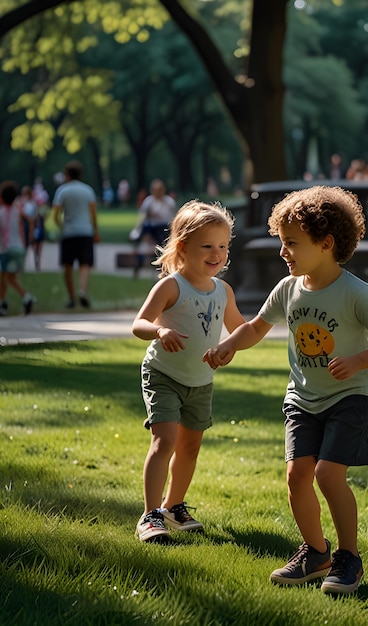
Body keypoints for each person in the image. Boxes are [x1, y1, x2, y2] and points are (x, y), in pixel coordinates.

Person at [204, 186, 368, 595]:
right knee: (298, 474)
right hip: (302, 397)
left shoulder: (355, 293)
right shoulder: (288, 289)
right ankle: (316, 552)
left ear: (326, 244)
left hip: (350, 396)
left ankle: (348, 557)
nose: (284, 252)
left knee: (329, 474)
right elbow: (256, 328)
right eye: (283, 243)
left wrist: (357, 361)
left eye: (292, 243)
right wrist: (228, 344)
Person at [132, 200, 246, 543]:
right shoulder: (171, 286)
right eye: (207, 246)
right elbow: (139, 324)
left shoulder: (223, 291)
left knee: (190, 448)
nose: (217, 253)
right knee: (164, 440)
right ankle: (150, 516)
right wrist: (160, 332)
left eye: (223, 246)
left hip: (201, 381)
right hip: (163, 375)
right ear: (183, 247)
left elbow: (241, 330)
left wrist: (230, 349)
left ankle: (174, 506)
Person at [52, 160, 100, 308]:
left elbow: (55, 215)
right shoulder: (88, 190)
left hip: (68, 232)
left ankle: (71, 298)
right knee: (85, 264)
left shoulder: (62, 191)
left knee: (68, 266)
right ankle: (82, 290)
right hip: (85, 231)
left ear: (67, 174)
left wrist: (62, 226)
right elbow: (93, 214)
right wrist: (95, 231)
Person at [0, 180, 36, 316]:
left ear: (0, 197)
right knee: (6, 276)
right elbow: (30, 220)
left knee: (8, 278)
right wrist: (30, 235)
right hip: (19, 248)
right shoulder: (18, 210)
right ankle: (2, 302)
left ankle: (25, 297)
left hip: (6, 250)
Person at [131, 179, 176, 248]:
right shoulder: (148, 201)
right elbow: (142, 216)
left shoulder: (169, 201)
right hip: (151, 226)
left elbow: (174, 216)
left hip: (164, 226)